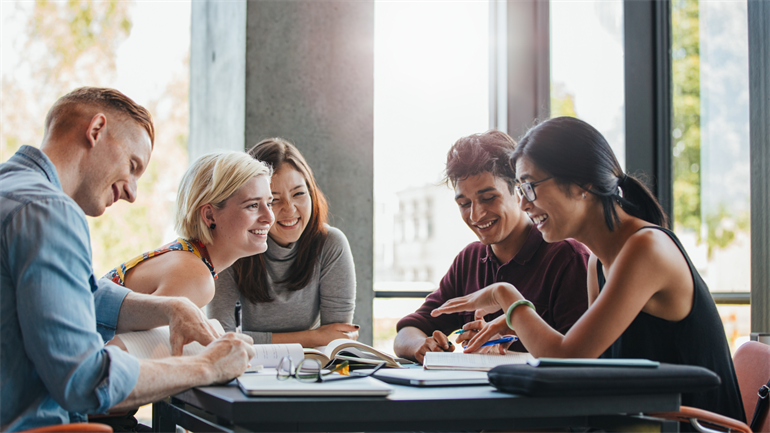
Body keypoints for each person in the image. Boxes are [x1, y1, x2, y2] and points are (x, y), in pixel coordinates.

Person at [432, 117, 745, 422]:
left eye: (529, 187)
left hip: (689, 426)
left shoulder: (646, 249)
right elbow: (590, 364)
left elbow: (567, 359)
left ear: (583, 184)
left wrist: (506, 296)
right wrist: (513, 326)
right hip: (643, 421)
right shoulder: (599, 260)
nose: (524, 204)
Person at [0, 87, 256, 432]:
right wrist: (208, 366)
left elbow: (81, 297)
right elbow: (84, 380)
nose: (133, 193)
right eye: (132, 166)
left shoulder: (12, 191)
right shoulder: (49, 211)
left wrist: (171, 308)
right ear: (96, 131)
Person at [394, 130, 590, 363]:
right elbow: (408, 331)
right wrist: (421, 345)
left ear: (519, 191)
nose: (476, 215)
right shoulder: (470, 260)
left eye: (488, 198)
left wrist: (504, 348)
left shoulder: (567, 257)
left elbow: (578, 359)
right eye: (464, 204)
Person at [208, 138, 358, 347]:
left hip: (310, 368)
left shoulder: (330, 244)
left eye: (299, 193)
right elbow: (221, 338)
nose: (289, 209)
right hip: (246, 368)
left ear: (312, 193)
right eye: (274, 200)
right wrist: (312, 337)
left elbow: (336, 338)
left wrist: (320, 339)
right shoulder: (232, 244)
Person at [103, 151, 275, 309]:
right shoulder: (195, 277)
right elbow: (122, 342)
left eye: (269, 204)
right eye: (252, 205)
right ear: (209, 215)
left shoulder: (188, 257)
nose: (270, 217)